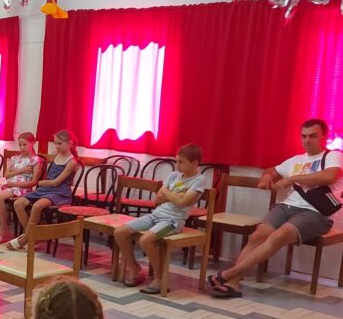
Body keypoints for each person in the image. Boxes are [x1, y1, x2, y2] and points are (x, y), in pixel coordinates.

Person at [209, 119, 343, 298]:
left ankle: (227, 274)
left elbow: (329, 176)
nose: (307, 140)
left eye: (313, 136)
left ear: (324, 137)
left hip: (315, 213)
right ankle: (233, 282)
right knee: (258, 235)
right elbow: (273, 170)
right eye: (303, 136)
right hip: (287, 206)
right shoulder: (296, 160)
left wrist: (291, 179)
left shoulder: (333, 155)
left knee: (278, 236)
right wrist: (266, 176)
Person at [115, 144, 206, 294]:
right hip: (156, 214)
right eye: (176, 160)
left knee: (146, 240)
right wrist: (176, 196)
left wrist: (168, 193)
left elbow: (182, 203)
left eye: (181, 162)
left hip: (172, 221)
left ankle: (160, 277)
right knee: (120, 232)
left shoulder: (199, 180)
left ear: (195, 163)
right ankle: (134, 267)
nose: (177, 164)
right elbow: (157, 199)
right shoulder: (173, 176)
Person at [10, 130, 81, 251]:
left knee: (37, 206)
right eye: (55, 143)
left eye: (60, 143)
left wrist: (40, 182)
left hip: (59, 192)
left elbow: (56, 182)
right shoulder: (56, 155)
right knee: (18, 203)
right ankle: (33, 236)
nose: (56, 146)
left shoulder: (72, 162)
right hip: (46, 189)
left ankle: (26, 238)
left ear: (70, 143)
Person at [0, 132, 43, 244]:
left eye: (24, 144)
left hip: (21, 186)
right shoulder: (15, 158)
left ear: (33, 143)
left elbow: (34, 182)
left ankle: (2, 231)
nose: (21, 147)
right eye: (20, 145)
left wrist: (15, 184)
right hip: (9, 183)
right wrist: (21, 170)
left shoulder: (36, 161)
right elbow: (7, 175)